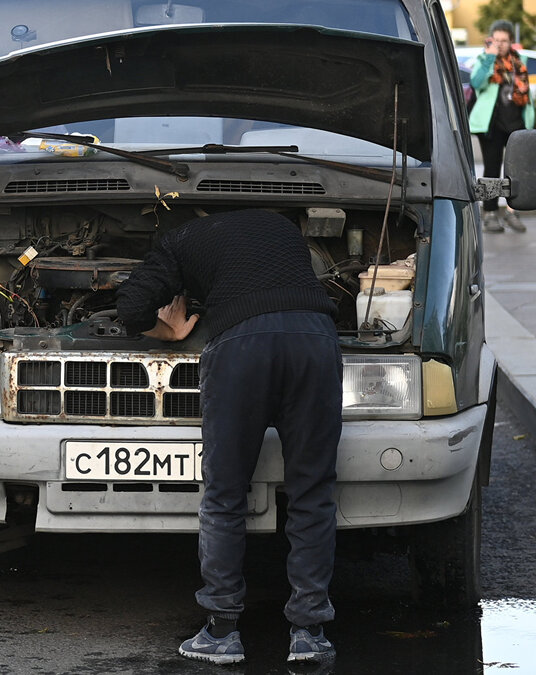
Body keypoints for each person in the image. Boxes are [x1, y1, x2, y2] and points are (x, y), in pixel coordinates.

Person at [116, 209, 343, 666]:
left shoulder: (177, 240)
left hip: (241, 346)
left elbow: (130, 307)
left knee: (225, 494)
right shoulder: (280, 225)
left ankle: (221, 632)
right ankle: (308, 632)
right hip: (315, 339)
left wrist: (172, 329)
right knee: (313, 492)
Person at [470, 19, 533, 233]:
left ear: (511, 42)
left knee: (517, 172)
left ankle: (510, 211)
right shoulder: (484, 60)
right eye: (496, 40)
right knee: (492, 168)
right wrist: (489, 58)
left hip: (516, 125)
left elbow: (527, 95)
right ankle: (489, 212)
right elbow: (476, 82)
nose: (500, 44)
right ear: (490, 40)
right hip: (492, 126)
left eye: (504, 41)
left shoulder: (519, 62)